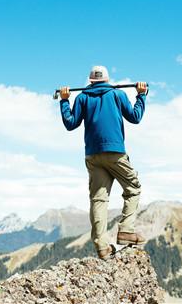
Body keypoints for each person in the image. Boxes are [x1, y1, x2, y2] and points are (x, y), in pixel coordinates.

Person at [59, 65, 148, 260]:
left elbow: (70, 123)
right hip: (115, 151)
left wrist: (65, 101)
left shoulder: (82, 97)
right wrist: (141, 95)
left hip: (92, 154)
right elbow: (135, 117)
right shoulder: (117, 95)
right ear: (107, 80)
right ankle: (126, 230)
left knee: (99, 199)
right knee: (133, 188)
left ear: (90, 81)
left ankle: (102, 247)